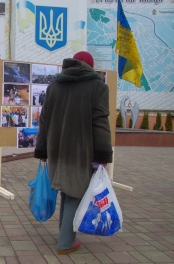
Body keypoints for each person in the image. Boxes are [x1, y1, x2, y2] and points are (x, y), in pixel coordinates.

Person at [34, 51, 113, 255]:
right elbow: (101, 123)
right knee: (75, 193)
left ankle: (65, 234)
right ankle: (65, 242)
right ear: (90, 67)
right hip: (81, 151)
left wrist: (41, 148)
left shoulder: (55, 86)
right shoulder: (98, 87)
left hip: (56, 149)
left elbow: (44, 120)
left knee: (68, 192)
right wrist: (103, 155)